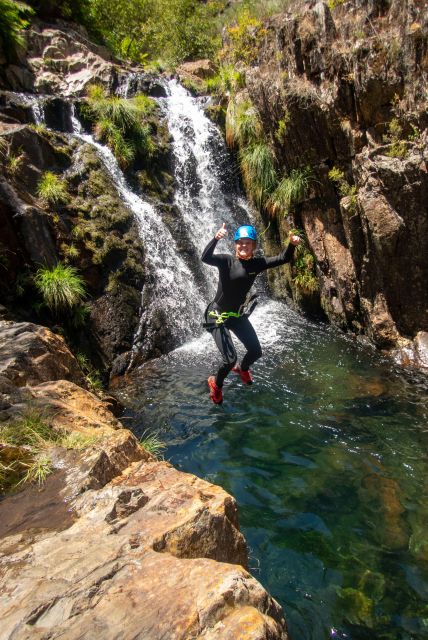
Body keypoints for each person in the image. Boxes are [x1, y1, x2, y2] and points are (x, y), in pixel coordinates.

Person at [202, 223, 300, 404]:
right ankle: (216, 384)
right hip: (217, 316)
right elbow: (205, 257)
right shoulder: (226, 261)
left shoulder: (257, 264)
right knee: (229, 360)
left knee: (256, 351)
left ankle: (243, 368)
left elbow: (283, 258)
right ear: (235, 245)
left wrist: (292, 244)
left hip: (236, 316)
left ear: (254, 245)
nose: (243, 246)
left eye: (247, 243)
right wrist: (216, 238)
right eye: (240, 243)